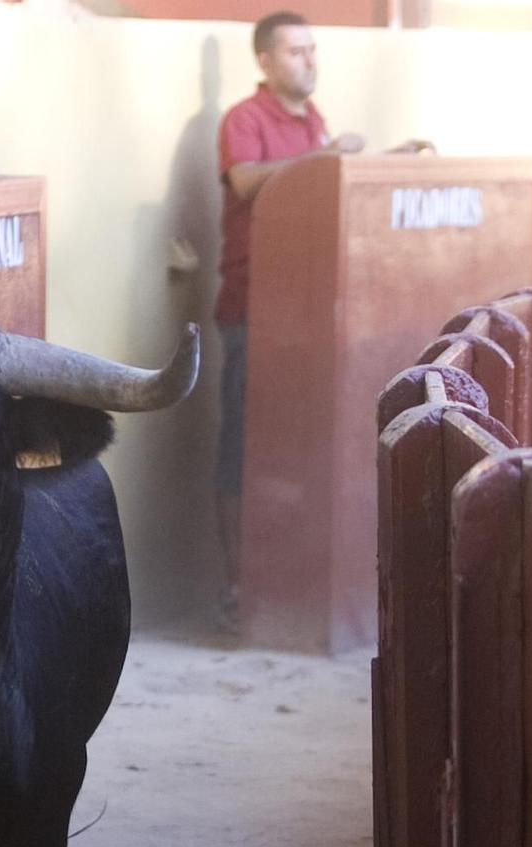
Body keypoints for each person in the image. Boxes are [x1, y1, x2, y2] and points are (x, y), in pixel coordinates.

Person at [212, 11, 431, 627]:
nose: (311, 61)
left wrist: (384, 159)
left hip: (310, 311)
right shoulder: (245, 119)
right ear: (265, 61)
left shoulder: (312, 122)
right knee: (241, 448)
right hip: (254, 309)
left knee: (300, 449)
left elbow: (327, 183)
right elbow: (247, 181)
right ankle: (233, 587)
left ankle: (284, 582)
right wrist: (324, 158)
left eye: (314, 50)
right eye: (297, 51)